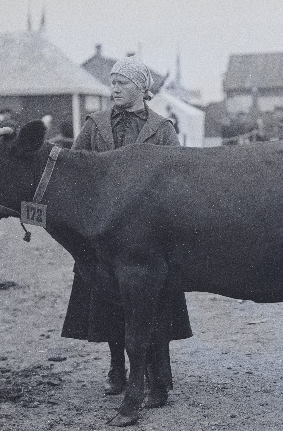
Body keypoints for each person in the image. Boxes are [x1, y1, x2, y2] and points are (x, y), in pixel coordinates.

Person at [65, 56, 193, 409]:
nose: (115, 88)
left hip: (151, 237)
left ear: (141, 87)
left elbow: (180, 179)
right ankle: (116, 368)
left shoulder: (162, 128)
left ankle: (158, 375)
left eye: (122, 82)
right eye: (113, 82)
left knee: (154, 304)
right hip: (104, 233)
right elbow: (75, 171)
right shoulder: (95, 125)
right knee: (107, 303)